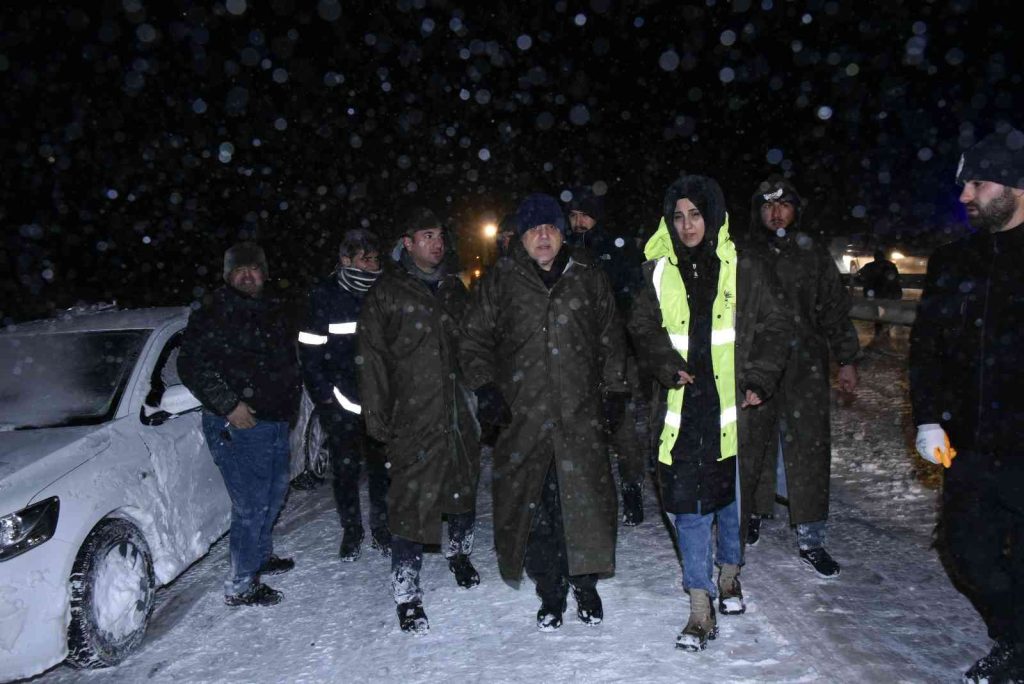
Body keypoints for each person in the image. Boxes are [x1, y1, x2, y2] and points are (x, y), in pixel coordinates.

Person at [628, 175, 790, 651]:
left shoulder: (744, 267)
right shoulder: (657, 270)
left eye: (695, 214)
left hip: (733, 408)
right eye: (678, 216)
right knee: (687, 508)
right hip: (682, 407)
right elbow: (641, 325)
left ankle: (730, 576)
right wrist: (664, 363)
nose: (687, 225)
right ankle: (700, 607)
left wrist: (760, 378)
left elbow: (776, 324)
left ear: (713, 216)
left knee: (730, 502)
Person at [460, 192, 627, 631]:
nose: (544, 237)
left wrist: (615, 391)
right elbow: (473, 340)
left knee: (584, 505)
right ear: (521, 237)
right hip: (523, 419)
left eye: (551, 228)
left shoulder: (587, 276)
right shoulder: (501, 281)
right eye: (535, 230)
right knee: (532, 509)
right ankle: (550, 590)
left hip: (579, 415)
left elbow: (611, 337)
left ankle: (584, 585)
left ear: (562, 232)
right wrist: (486, 388)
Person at [909, 126, 1024, 684]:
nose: (964, 196)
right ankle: (1017, 636)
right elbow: (926, 348)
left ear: (1015, 185)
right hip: (971, 447)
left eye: (976, 183)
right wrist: (928, 416)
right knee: (965, 552)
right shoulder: (954, 262)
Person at [357, 206, 481, 633]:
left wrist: (486, 391)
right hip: (412, 416)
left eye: (439, 235)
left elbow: (473, 347)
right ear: (407, 243)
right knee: (410, 504)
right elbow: (371, 358)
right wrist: (375, 414)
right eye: (426, 235)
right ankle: (407, 593)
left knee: (463, 489)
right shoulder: (386, 293)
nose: (436, 242)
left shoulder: (453, 288)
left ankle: (459, 553)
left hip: (458, 412)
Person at [738, 175, 860, 577]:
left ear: (796, 210)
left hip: (805, 365)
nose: (775, 213)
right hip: (755, 364)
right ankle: (749, 517)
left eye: (783, 205)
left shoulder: (813, 254)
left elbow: (834, 310)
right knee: (751, 442)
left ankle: (811, 535)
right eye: (768, 206)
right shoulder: (743, 253)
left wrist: (846, 358)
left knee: (808, 447)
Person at [179, 242, 300, 607]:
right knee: (251, 503)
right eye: (240, 270)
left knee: (275, 493)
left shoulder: (271, 308)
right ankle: (242, 583)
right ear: (228, 275)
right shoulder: (213, 312)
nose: (248, 276)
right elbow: (192, 365)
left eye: (254, 269)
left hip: (275, 421)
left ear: (264, 273)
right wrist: (229, 405)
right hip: (240, 425)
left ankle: (261, 556)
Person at [298, 228, 390, 561]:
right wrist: (326, 400)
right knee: (346, 473)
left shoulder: (385, 292)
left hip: (381, 403)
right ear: (345, 260)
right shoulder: (323, 296)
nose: (370, 266)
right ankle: (352, 531)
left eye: (375, 259)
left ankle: (382, 529)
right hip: (341, 404)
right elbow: (310, 352)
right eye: (363, 259)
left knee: (383, 471)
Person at [565, 185, 648, 525]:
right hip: (578, 354)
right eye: (572, 215)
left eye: (583, 214)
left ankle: (632, 487)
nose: (578, 221)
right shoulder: (566, 250)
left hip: (618, 353)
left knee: (622, 425)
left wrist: (625, 342)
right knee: (584, 426)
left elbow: (634, 297)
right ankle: (593, 492)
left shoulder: (618, 248)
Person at [856, 248, 903, 344]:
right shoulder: (890, 265)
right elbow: (896, 279)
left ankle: (879, 333)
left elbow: (859, 275)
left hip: (875, 294)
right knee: (885, 313)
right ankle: (885, 333)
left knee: (878, 313)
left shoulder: (869, 266)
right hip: (886, 294)